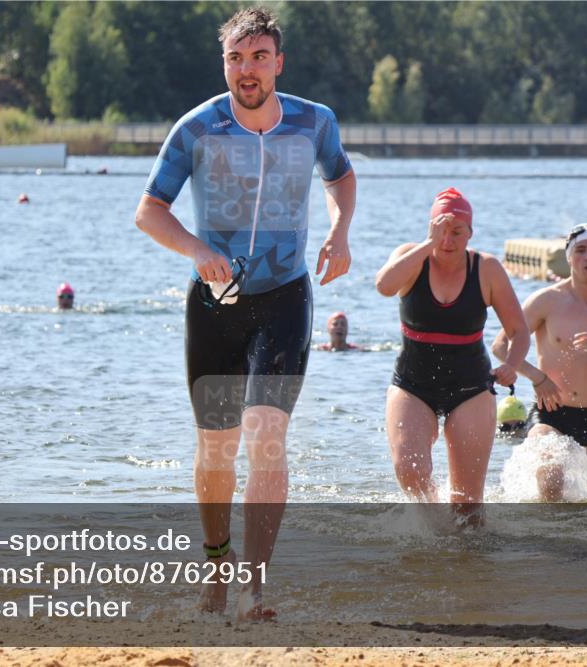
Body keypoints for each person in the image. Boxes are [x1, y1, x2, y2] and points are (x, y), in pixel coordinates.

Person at [134, 7, 356, 619]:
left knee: (265, 437)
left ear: (278, 62)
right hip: (214, 305)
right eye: (236, 58)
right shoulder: (198, 128)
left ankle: (256, 587)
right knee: (215, 450)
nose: (247, 69)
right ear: (224, 63)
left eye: (259, 57)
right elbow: (150, 210)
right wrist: (199, 250)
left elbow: (341, 177)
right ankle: (216, 570)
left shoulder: (314, 123)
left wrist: (340, 231)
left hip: (285, 297)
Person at [375, 188, 529, 522]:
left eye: (457, 231)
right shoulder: (411, 257)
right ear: (429, 229)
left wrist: (512, 365)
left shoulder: (486, 268)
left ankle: (467, 556)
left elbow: (519, 331)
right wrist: (426, 244)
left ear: (470, 233)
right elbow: (384, 286)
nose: (448, 239)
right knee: (409, 472)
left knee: (468, 505)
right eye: (440, 230)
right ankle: (434, 527)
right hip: (412, 384)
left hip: (470, 387)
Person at [492, 224, 587, 501]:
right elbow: (501, 346)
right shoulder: (547, 301)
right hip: (551, 412)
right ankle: (546, 543)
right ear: (569, 258)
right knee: (551, 475)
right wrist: (537, 378)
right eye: (581, 251)